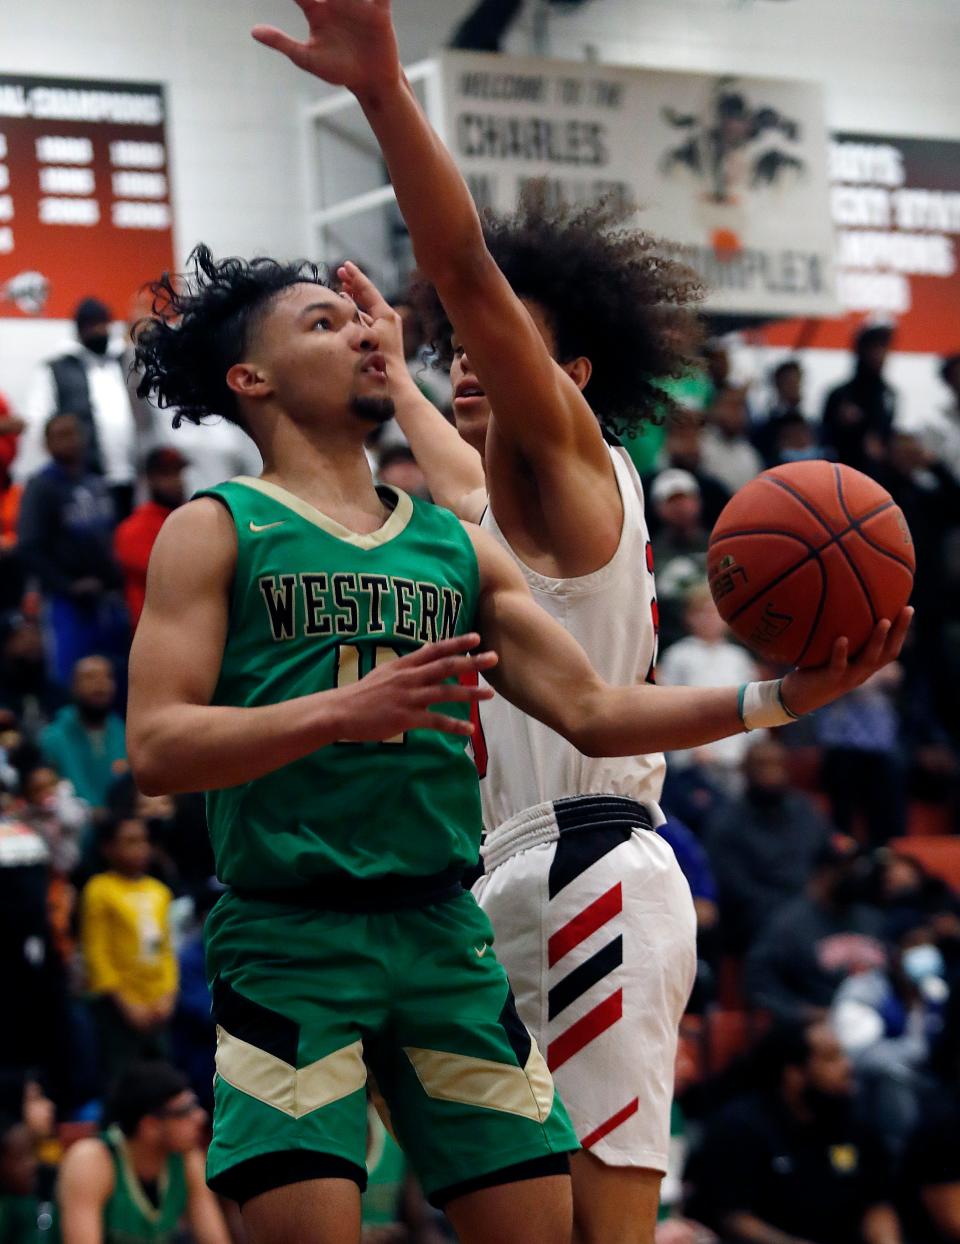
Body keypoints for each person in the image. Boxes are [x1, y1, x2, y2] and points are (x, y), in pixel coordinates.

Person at [250, 5, 909, 1243]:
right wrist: (394, 369)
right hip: (500, 880)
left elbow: (462, 265)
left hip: (594, 861)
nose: (462, 356)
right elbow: (445, 467)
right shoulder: (495, 509)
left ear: (572, 374)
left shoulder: (570, 458)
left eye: (489, 341)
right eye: (452, 349)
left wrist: (387, 96)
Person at [125, 233, 903, 1244]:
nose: (363, 332)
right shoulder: (219, 526)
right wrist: (337, 712)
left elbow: (592, 705)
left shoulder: (453, 541)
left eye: (361, 317)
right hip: (290, 932)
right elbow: (155, 747)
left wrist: (783, 697)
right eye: (325, 321)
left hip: (447, 931)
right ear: (251, 378)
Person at [685, 1021, 903, 1244]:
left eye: (842, 1055)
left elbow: (877, 1203)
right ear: (794, 1073)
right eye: (831, 1058)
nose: (847, 1066)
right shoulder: (740, 1127)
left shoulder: (856, 1120)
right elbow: (733, 1218)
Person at [56, 1060, 229, 1244]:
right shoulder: (91, 1161)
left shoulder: (187, 1158)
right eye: (185, 1111)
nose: (200, 1117)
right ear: (150, 1126)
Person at [17, 414, 128, 686]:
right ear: (47, 444)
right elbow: (28, 547)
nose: (69, 441)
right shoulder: (41, 487)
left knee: (115, 674)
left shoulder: (95, 480)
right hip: (65, 603)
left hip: (107, 597)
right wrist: (67, 585)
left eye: (72, 433)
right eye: (60, 435)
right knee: (73, 678)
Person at [705, 735, 831, 953]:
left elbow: (826, 855)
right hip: (756, 917)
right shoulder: (726, 821)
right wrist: (795, 910)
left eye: (777, 765)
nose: (771, 773)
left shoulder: (804, 810)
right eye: (762, 766)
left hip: (810, 906)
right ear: (745, 770)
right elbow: (734, 886)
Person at [745, 835, 887, 1022]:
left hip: (877, 1024)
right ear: (822, 873)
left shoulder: (872, 918)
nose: (854, 875)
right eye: (845, 869)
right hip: (821, 1027)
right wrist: (802, 1015)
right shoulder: (788, 925)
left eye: (857, 868)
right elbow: (760, 985)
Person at [19, 298, 138, 518]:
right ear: (80, 329)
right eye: (92, 325)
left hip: (131, 476)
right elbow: (37, 422)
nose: (99, 330)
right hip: (82, 479)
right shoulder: (58, 367)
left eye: (103, 324)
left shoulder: (123, 361)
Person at [81, 815, 178, 1080]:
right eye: (130, 842)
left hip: (157, 1003)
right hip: (119, 1006)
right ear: (108, 848)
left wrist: (168, 995)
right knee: (122, 1077)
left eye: (144, 841)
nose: (140, 848)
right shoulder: (100, 889)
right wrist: (125, 1003)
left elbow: (167, 949)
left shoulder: (158, 891)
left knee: (163, 1074)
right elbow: (97, 953)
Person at [657, 583, 757, 788]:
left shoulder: (738, 658)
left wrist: (752, 749)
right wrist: (693, 748)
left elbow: (754, 704)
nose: (711, 619)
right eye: (704, 612)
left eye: (716, 613)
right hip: (693, 760)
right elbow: (669, 707)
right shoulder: (678, 655)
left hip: (735, 757)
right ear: (690, 617)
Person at [114, 446, 188, 628]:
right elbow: (174, 577)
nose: (176, 482)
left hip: (192, 625)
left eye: (178, 473)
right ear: (150, 479)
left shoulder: (193, 516)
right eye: (167, 474)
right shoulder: (134, 528)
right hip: (155, 632)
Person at [40, 656, 126, 812]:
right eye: (90, 677)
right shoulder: (53, 738)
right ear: (73, 686)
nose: (100, 683)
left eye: (107, 677)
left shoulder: (125, 733)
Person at [820, 323, 897, 475]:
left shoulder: (889, 394)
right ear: (862, 351)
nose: (880, 355)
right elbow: (825, 438)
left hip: (881, 477)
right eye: (874, 348)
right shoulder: (840, 395)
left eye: (884, 348)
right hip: (843, 474)